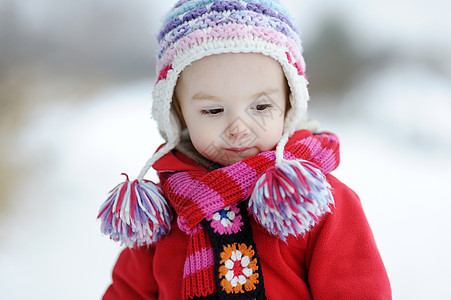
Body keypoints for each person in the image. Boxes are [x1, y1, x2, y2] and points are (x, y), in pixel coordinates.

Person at [98, 0, 392, 299]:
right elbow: (127, 292)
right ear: (177, 112)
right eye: (213, 110)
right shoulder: (163, 212)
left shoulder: (316, 201)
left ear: (290, 103)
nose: (238, 127)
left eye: (261, 106)